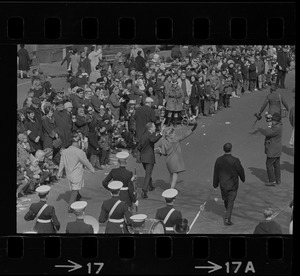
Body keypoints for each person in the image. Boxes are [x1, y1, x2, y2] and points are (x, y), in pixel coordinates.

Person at [57, 133, 95, 212]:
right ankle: (70, 206)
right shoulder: (79, 152)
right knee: (75, 189)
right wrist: (92, 169)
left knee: (75, 187)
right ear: (76, 142)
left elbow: (62, 163)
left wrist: (59, 173)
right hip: (76, 174)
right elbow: (86, 162)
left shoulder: (65, 152)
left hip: (69, 174)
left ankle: (78, 196)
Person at [213, 143, 245, 225]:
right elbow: (240, 170)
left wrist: (215, 184)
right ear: (231, 149)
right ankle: (227, 218)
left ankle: (227, 210)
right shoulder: (235, 160)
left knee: (226, 199)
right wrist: (242, 178)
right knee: (231, 201)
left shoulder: (218, 160)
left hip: (223, 184)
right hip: (233, 184)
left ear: (224, 149)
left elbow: (216, 173)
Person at [160, 123, 198, 189]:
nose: (175, 134)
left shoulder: (164, 142)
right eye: (174, 133)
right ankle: (172, 188)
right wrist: (193, 129)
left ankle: (171, 186)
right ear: (171, 134)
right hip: (175, 160)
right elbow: (184, 135)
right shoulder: (176, 139)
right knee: (175, 174)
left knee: (171, 174)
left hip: (168, 161)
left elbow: (163, 153)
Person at [139, 122, 164, 199]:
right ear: (150, 128)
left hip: (143, 157)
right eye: (154, 127)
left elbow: (139, 147)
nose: (155, 128)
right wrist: (161, 134)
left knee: (148, 172)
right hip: (149, 158)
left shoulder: (143, 135)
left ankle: (150, 186)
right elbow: (153, 140)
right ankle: (144, 190)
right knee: (148, 174)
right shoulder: (150, 135)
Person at [261, 112, 283, 186]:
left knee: (269, 164)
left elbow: (267, 133)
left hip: (272, 149)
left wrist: (269, 126)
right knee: (276, 164)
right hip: (277, 149)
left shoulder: (276, 128)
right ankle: (278, 179)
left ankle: (272, 180)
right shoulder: (279, 125)